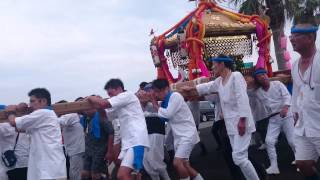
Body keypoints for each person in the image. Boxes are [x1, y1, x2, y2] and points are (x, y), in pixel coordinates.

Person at [183, 55, 259, 180]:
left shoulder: (236, 76)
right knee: (239, 157)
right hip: (230, 126)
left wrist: (242, 120)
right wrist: (192, 88)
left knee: (239, 158)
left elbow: (242, 99)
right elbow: (207, 87)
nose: (212, 67)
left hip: (241, 123)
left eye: (214, 64)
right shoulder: (219, 81)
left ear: (222, 64)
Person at [87, 78, 149, 180]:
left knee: (122, 175)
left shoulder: (127, 95)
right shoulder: (119, 105)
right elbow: (104, 116)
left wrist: (91, 98)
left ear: (119, 89)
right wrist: (97, 104)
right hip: (129, 142)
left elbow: (104, 104)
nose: (110, 97)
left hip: (136, 140)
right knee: (132, 174)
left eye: (111, 93)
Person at [6, 88, 67, 180]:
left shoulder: (43, 113)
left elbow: (13, 122)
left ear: (43, 101)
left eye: (32, 101)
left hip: (48, 170)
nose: (30, 105)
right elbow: (18, 129)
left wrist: (10, 112)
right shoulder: (47, 115)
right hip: (50, 168)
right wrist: (24, 112)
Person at [151, 79, 203, 180]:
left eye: (158, 91)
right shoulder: (165, 101)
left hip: (187, 134)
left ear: (166, 88)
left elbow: (168, 114)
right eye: (155, 92)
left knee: (177, 162)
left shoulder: (175, 96)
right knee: (185, 165)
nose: (156, 95)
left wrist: (155, 105)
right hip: (180, 136)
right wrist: (156, 106)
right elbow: (164, 118)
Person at [289, 21, 320, 179]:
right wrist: (294, 110)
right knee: (302, 163)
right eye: (291, 36)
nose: (291, 39)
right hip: (303, 125)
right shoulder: (295, 65)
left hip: (318, 122)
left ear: (310, 37)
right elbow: (296, 91)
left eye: (296, 36)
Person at [253, 68, 296, 174]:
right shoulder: (258, 92)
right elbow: (247, 92)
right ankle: (274, 167)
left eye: (264, 74)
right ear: (257, 80)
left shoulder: (277, 84)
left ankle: (300, 160)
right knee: (269, 141)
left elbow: (287, 96)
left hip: (287, 115)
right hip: (273, 119)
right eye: (259, 76)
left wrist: (285, 108)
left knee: (292, 140)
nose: (262, 76)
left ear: (267, 75)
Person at [137, 83, 171, 180]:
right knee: (146, 162)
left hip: (156, 132)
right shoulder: (142, 105)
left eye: (149, 91)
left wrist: (151, 99)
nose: (145, 93)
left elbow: (162, 111)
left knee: (155, 161)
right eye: (145, 91)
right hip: (145, 135)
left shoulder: (162, 102)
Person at [80, 107, 114, 180]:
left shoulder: (102, 117)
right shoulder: (87, 119)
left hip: (100, 151)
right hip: (89, 151)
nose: (85, 111)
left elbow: (111, 133)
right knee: (84, 174)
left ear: (95, 108)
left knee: (97, 175)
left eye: (87, 108)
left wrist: (109, 151)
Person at [58, 100, 85, 180]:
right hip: (72, 150)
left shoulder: (71, 115)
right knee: (73, 173)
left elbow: (59, 122)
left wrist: (49, 115)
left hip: (77, 150)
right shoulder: (67, 117)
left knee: (76, 174)